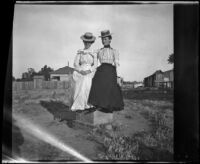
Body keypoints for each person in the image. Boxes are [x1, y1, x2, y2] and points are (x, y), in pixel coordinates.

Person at [88, 30, 124, 113]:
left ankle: (107, 107)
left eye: (105, 39)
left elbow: (116, 64)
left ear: (110, 40)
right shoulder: (99, 51)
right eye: (102, 39)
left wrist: (117, 76)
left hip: (110, 70)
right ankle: (99, 105)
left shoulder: (114, 51)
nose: (103, 41)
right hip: (101, 70)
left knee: (109, 88)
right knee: (97, 85)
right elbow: (94, 62)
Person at [70, 32, 98, 112]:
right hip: (81, 70)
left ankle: (87, 104)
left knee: (87, 82)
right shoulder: (80, 51)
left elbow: (95, 64)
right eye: (85, 42)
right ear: (83, 42)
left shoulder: (94, 52)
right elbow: (75, 63)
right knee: (81, 82)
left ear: (91, 43)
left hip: (90, 71)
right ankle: (79, 105)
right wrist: (81, 71)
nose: (87, 44)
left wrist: (89, 70)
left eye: (89, 42)